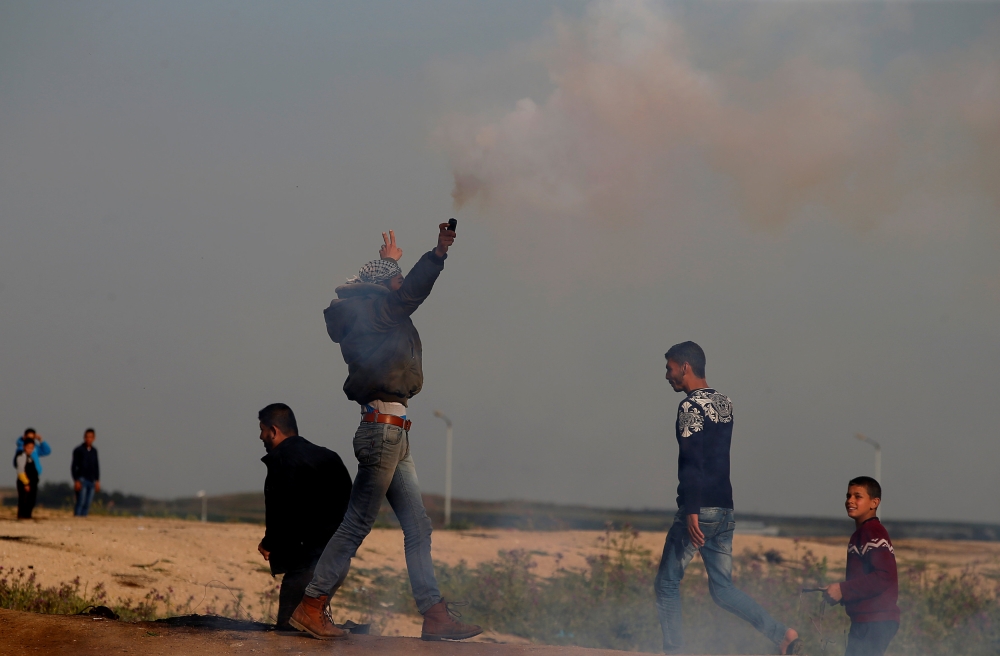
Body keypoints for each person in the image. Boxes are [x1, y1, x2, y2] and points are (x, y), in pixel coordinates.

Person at [289, 225, 482, 642]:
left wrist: (390, 262)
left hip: (393, 433)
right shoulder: (377, 314)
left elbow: (395, 291)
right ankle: (312, 604)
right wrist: (435, 254)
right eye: (392, 279)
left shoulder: (374, 311)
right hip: (383, 434)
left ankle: (434, 613)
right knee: (358, 523)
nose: (398, 286)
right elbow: (408, 292)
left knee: (417, 526)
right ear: (380, 290)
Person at [656, 341, 801, 655]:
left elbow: (693, 460)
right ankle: (782, 634)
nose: (666, 376)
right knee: (722, 590)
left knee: (666, 584)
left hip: (699, 509)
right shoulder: (724, 402)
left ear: (684, 367)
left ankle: (674, 650)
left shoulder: (690, 406)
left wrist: (692, 509)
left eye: (669, 368)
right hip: (724, 508)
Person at [256, 403, 354, 631]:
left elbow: (283, 507)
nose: (260, 437)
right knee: (312, 630)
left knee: (290, 634)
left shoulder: (283, 459)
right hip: (339, 562)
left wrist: (270, 542)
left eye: (261, 430)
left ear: (273, 430)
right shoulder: (328, 456)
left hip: (306, 566)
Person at [822, 477, 899, 656]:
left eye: (858, 496)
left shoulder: (872, 532)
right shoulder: (863, 533)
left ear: (874, 502)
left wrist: (843, 589)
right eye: (848, 496)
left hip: (875, 621)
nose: (850, 501)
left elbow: (884, 576)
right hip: (868, 621)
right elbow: (866, 578)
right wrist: (841, 594)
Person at [71, 428, 101, 516]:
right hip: (82, 479)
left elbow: (96, 466)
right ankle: (77, 519)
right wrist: (76, 480)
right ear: (84, 437)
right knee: (81, 501)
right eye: (87, 437)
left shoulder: (94, 451)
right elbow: (73, 466)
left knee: (87, 503)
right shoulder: (79, 450)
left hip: (91, 480)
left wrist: (97, 480)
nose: (89, 439)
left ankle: (84, 519)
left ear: (94, 438)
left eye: (91, 437)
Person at [14, 438, 40, 519]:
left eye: (32, 448)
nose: (30, 450)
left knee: (31, 501)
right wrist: (26, 483)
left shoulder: (30, 457)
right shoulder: (21, 456)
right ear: (24, 447)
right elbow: (20, 471)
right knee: (24, 500)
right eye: (28, 447)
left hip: (32, 483)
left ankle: (28, 515)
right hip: (25, 483)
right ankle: (22, 516)